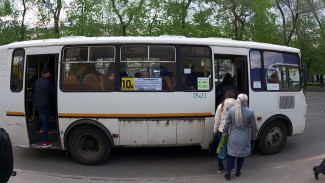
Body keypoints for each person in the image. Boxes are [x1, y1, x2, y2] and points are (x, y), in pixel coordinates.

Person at [222, 93, 257, 180]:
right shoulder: (250, 112)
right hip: (244, 137)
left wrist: (224, 135)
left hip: (233, 137)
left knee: (231, 156)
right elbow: (253, 128)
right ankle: (238, 172)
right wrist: (253, 138)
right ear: (245, 101)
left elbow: (226, 125)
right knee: (241, 156)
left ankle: (228, 174)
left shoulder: (231, 110)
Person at [214, 91, 236, 173]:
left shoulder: (221, 106)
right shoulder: (237, 106)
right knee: (232, 150)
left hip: (222, 132)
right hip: (233, 132)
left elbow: (217, 120)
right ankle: (231, 167)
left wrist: (215, 131)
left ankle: (221, 168)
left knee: (221, 149)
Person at [33, 68, 54, 148]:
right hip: (45, 106)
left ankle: (41, 128)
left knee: (43, 116)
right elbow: (53, 94)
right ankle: (45, 142)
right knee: (46, 123)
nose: (50, 74)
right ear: (47, 74)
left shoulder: (36, 81)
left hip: (37, 105)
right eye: (49, 73)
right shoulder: (48, 83)